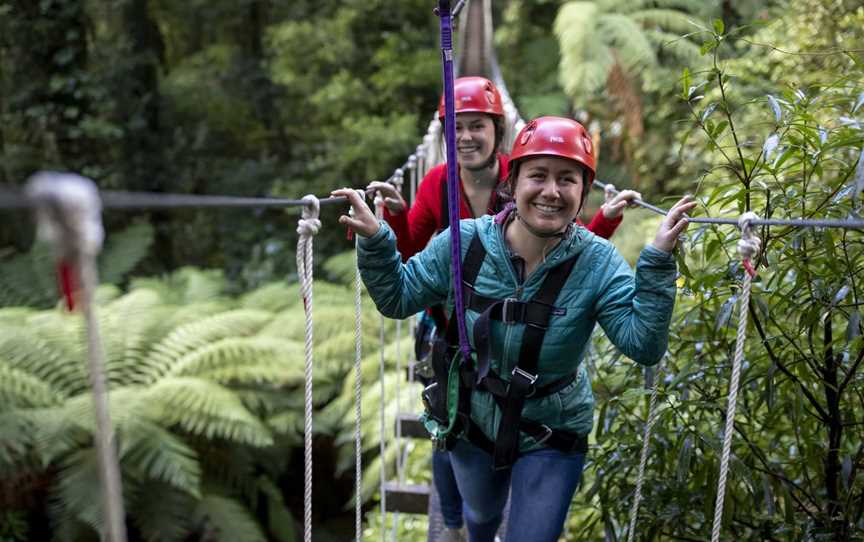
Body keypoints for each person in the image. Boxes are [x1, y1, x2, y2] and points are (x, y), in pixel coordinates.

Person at [335, 115, 695, 542]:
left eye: (567, 179)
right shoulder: (463, 242)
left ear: (583, 192)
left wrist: (655, 262)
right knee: (481, 516)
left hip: (551, 428)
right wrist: (377, 241)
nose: (551, 191)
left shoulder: (599, 263)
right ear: (513, 182)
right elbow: (398, 298)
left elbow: (643, 345)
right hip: (472, 418)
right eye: (537, 175)